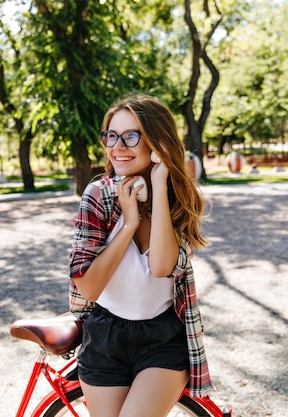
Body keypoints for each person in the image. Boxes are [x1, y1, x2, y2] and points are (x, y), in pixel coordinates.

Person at [68, 93, 212, 417]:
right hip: (105, 337)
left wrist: (159, 186)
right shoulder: (98, 195)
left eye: (131, 136)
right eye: (111, 136)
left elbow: (162, 267)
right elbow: (88, 288)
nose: (118, 146)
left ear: (156, 143)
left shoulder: (175, 197)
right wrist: (129, 223)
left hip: (161, 339)